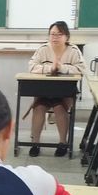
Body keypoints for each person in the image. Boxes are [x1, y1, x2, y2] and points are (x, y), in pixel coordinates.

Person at [27, 21, 86, 157]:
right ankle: (35, 143)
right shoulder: (43, 49)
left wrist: (62, 68)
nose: (55, 37)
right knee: (39, 108)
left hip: (65, 91)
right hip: (44, 90)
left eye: (59, 34)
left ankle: (62, 143)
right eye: (52, 34)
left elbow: (81, 69)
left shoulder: (73, 50)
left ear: (67, 37)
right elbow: (31, 66)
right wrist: (50, 68)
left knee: (60, 108)